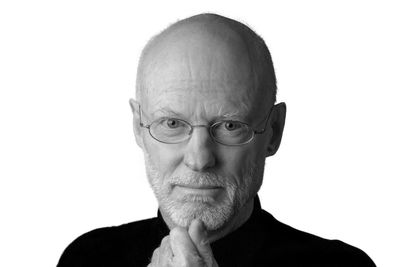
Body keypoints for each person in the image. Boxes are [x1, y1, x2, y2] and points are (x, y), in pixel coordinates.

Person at [57, 13, 376, 267]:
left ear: (273, 132)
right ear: (139, 128)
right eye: (171, 123)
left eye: (229, 125)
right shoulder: (88, 259)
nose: (199, 158)